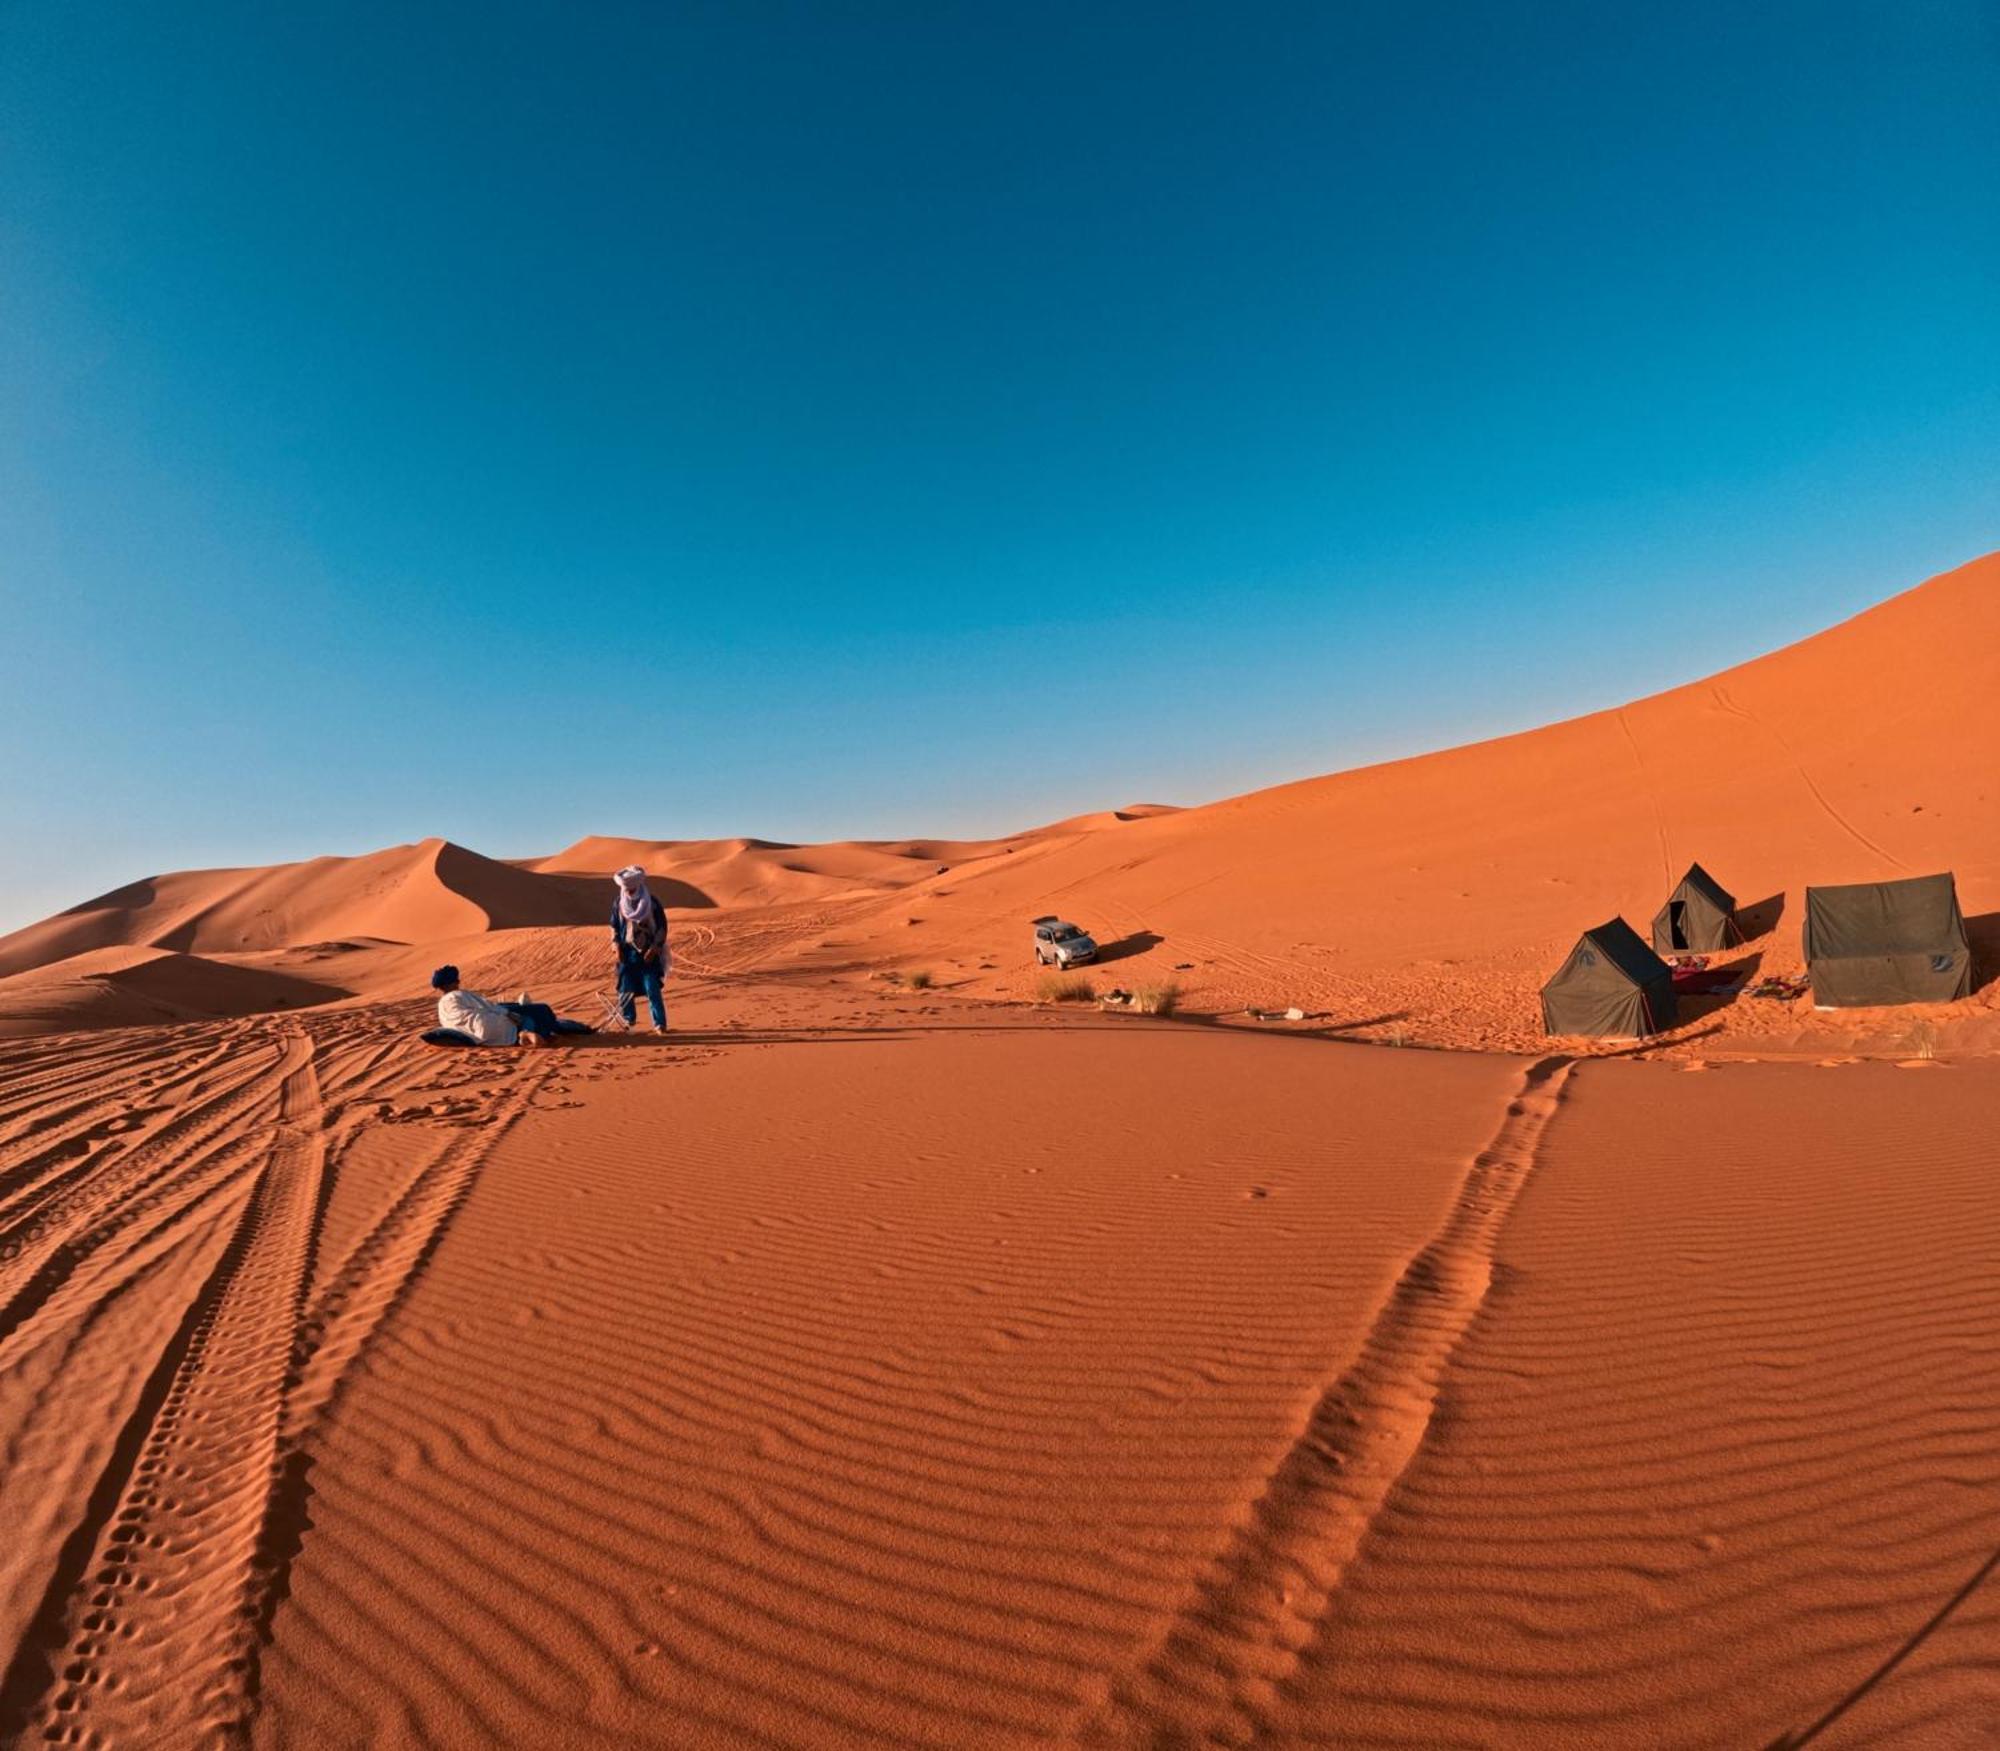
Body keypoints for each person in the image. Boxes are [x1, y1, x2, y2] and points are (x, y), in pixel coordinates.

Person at [430, 965, 564, 1047]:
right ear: (451, 983)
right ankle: (526, 1033)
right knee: (530, 1016)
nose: (458, 983)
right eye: (456, 981)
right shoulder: (458, 994)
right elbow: (486, 1005)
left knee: (513, 1015)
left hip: (472, 1033)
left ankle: (523, 1034)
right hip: (484, 1024)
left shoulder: (441, 1005)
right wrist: (507, 1012)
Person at [611, 864, 669, 1033]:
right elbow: (614, 926)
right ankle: (629, 1021)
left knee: (652, 989)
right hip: (627, 953)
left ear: (638, 885)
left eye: (631, 888)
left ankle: (660, 1024)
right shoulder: (619, 903)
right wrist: (616, 946)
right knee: (624, 989)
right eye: (626, 888)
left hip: (648, 953)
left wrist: (656, 947)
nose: (629, 891)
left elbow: (662, 927)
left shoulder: (652, 902)